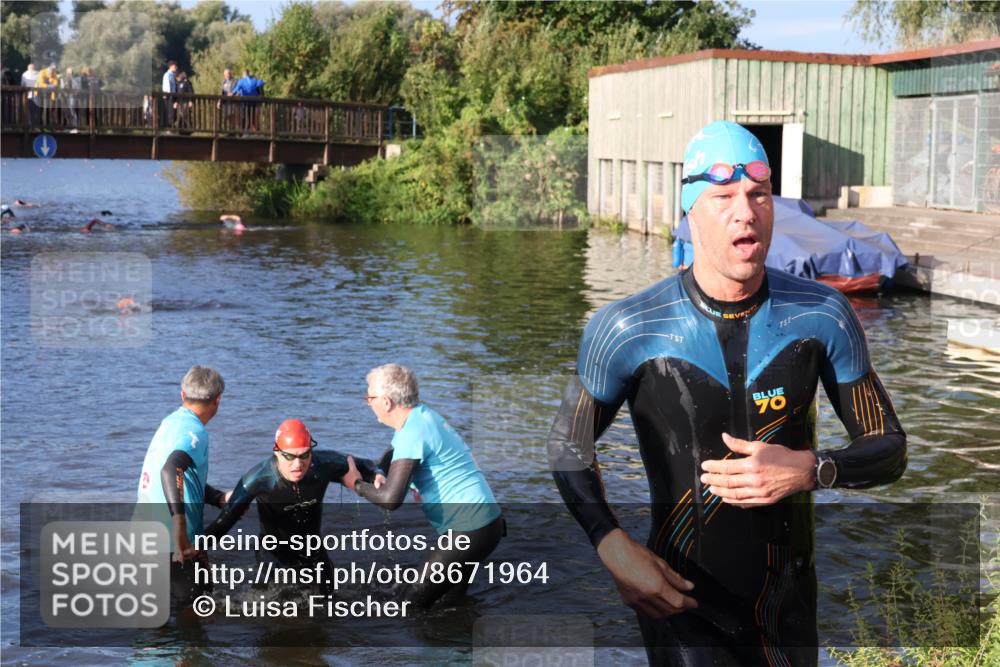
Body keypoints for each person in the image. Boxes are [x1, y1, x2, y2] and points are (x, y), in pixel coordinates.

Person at [547, 120, 907, 666]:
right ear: (691, 213)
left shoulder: (822, 316)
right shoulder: (628, 328)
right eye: (724, 197)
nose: (746, 211)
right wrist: (611, 544)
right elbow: (568, 446)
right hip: (679, 606)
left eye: (758, 194)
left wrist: (813, 468)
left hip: (787, 615)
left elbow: (889, 447)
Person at [343, 363, 504, 608]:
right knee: (450, 604)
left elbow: (390, 500)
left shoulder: (413, 432)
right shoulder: (420, 416)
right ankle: (458, 643)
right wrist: (378, 472)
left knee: (408, 606)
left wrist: (354, 483)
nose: (368, 403)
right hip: (485, 524)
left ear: (386, 402)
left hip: (469, 530)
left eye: (370, 397)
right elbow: (392, 457)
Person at [203, 419, 382, 585]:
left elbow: (364, 465)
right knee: (270, 606)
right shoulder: (259, 478)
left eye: (304, 455)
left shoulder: (323, 464)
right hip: (273, 553)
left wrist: (378, 474)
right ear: (277, 452)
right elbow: (225, 520)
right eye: (290, 456)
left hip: (313, 549)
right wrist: (196, 547)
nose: (298, 464)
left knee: (330, 600)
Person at [135, 366, 228, 603]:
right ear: (218, 400)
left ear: (182, 395)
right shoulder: (196, 432)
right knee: (195, 613)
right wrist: (179, 526)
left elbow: (177, 474)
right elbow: (171, 469)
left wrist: (217, 497)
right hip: (175, 544)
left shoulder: (169, 423)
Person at [232, 69, 265, 133]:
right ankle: (255, 130)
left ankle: (245, 130)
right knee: (253, 116)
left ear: (243, 74)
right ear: (248, 73)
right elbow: (262, 82)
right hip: (254, 102)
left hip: (245, 102)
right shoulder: (254, 80)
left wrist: (232, 94)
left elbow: (236, 90)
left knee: (244, 116)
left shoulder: (241, 81)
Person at [35, 63, 59, 127]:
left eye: (54, 71)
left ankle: (47, 126)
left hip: (48, 94)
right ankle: (38, 126)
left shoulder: (54, 74)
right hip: (39, 93)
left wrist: (49, 86)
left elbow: (56, 84)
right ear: (49, 69)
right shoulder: (42, 72)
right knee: (39, 109)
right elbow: (41, 84)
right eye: (52, 71)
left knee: (48, 109)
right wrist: (51, 86)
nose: (52, 73)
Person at [161, 61, 177, 129]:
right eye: (175, 66)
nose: (176, 67)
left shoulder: (172, 75)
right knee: (169, 112)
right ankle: (168, 127)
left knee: (172, 112)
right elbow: (167, 86)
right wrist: (169, 95)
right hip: (168, 96)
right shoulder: (167, 75)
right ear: (171, 66)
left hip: (172, 96)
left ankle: (171, 126)